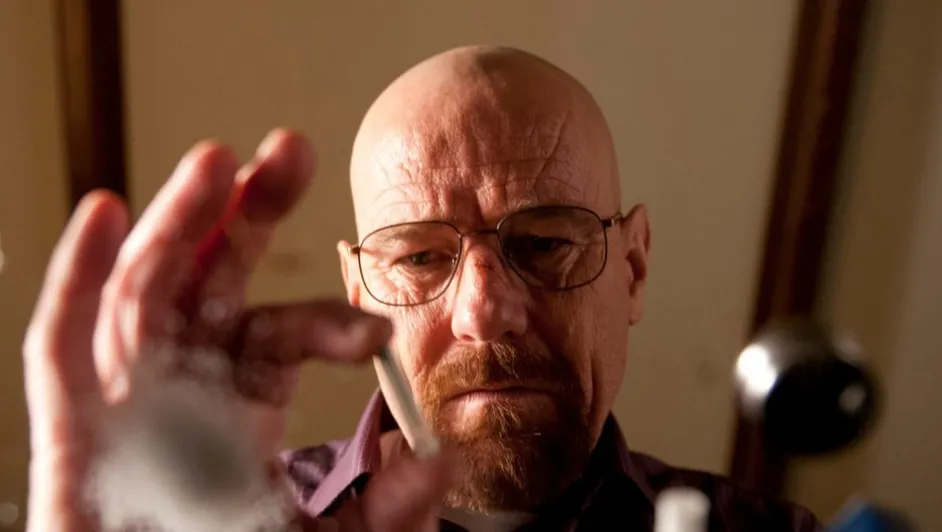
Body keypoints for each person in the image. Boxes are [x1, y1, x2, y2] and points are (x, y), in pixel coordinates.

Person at [22, 45, 821, 531]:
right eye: (419, 259)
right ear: (361, 292)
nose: (484, 313)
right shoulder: (221, 524)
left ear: (633, 268)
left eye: (545, 243)